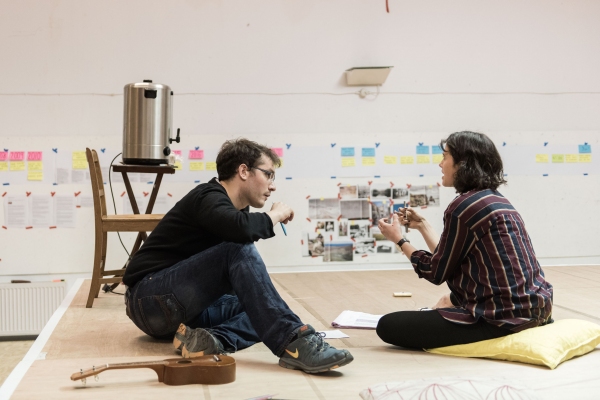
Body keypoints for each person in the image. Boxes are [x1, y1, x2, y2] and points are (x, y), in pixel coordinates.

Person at [122, 138, 353, 373]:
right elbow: (242, 230)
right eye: (268, 174)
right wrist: (274, 215)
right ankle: (295, 344)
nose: (272, 186)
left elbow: (239, 259)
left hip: (183, 311)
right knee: (238, 251)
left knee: (263, 310)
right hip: (149, 300)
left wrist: (261, 304)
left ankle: (209, 340)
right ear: (243, 171)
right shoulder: (208, 196)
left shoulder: (235, 211)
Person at [376, 131, 553, 349]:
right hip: (537, 309)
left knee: (387, 325)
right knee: (448, 299)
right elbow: (449, 260)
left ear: (463, 163)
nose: (440, 164)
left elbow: (436, 272)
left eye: (445, 157)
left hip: (504, 318)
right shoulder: (494, 199)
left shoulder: (463, 207)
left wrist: (399, 240)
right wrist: (422, 225)